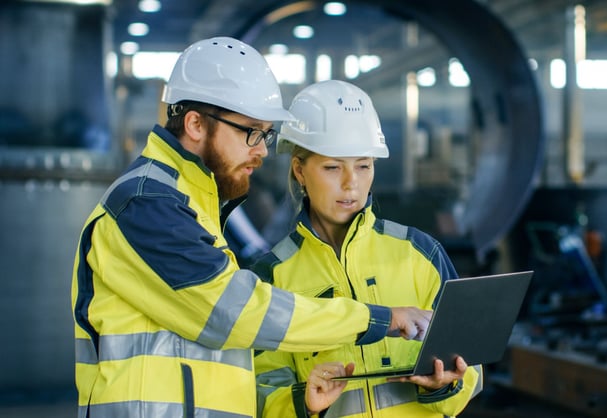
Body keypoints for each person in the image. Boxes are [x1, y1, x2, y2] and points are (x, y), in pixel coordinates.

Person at [70, 37, 431, 418]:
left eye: (265, 134)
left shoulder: (192, 203)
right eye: (251, 132)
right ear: (195, 124)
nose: (261, 150)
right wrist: (377, 319)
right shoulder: (147, 204)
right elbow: (233, 312)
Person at [250, 80, 483, 418]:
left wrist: (447, 383)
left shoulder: (420, 254)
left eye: (363, 165)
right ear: (299, 170)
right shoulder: (271, 278)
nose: (351, 184)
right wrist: (302, 403)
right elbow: (262, 392)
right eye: (333, 167)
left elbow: (472, 370)